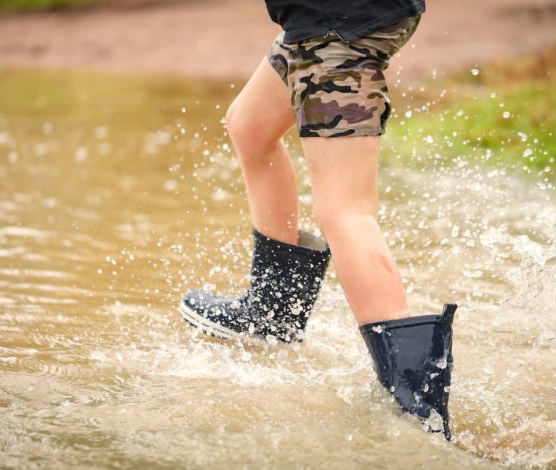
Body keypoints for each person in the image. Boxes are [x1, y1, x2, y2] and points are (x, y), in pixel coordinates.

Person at [179, 0, 457, 440]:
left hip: (339, 26)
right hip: (317, 22)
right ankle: (273, 311)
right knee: (249, 125)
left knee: (345, 210)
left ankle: (416, 402)